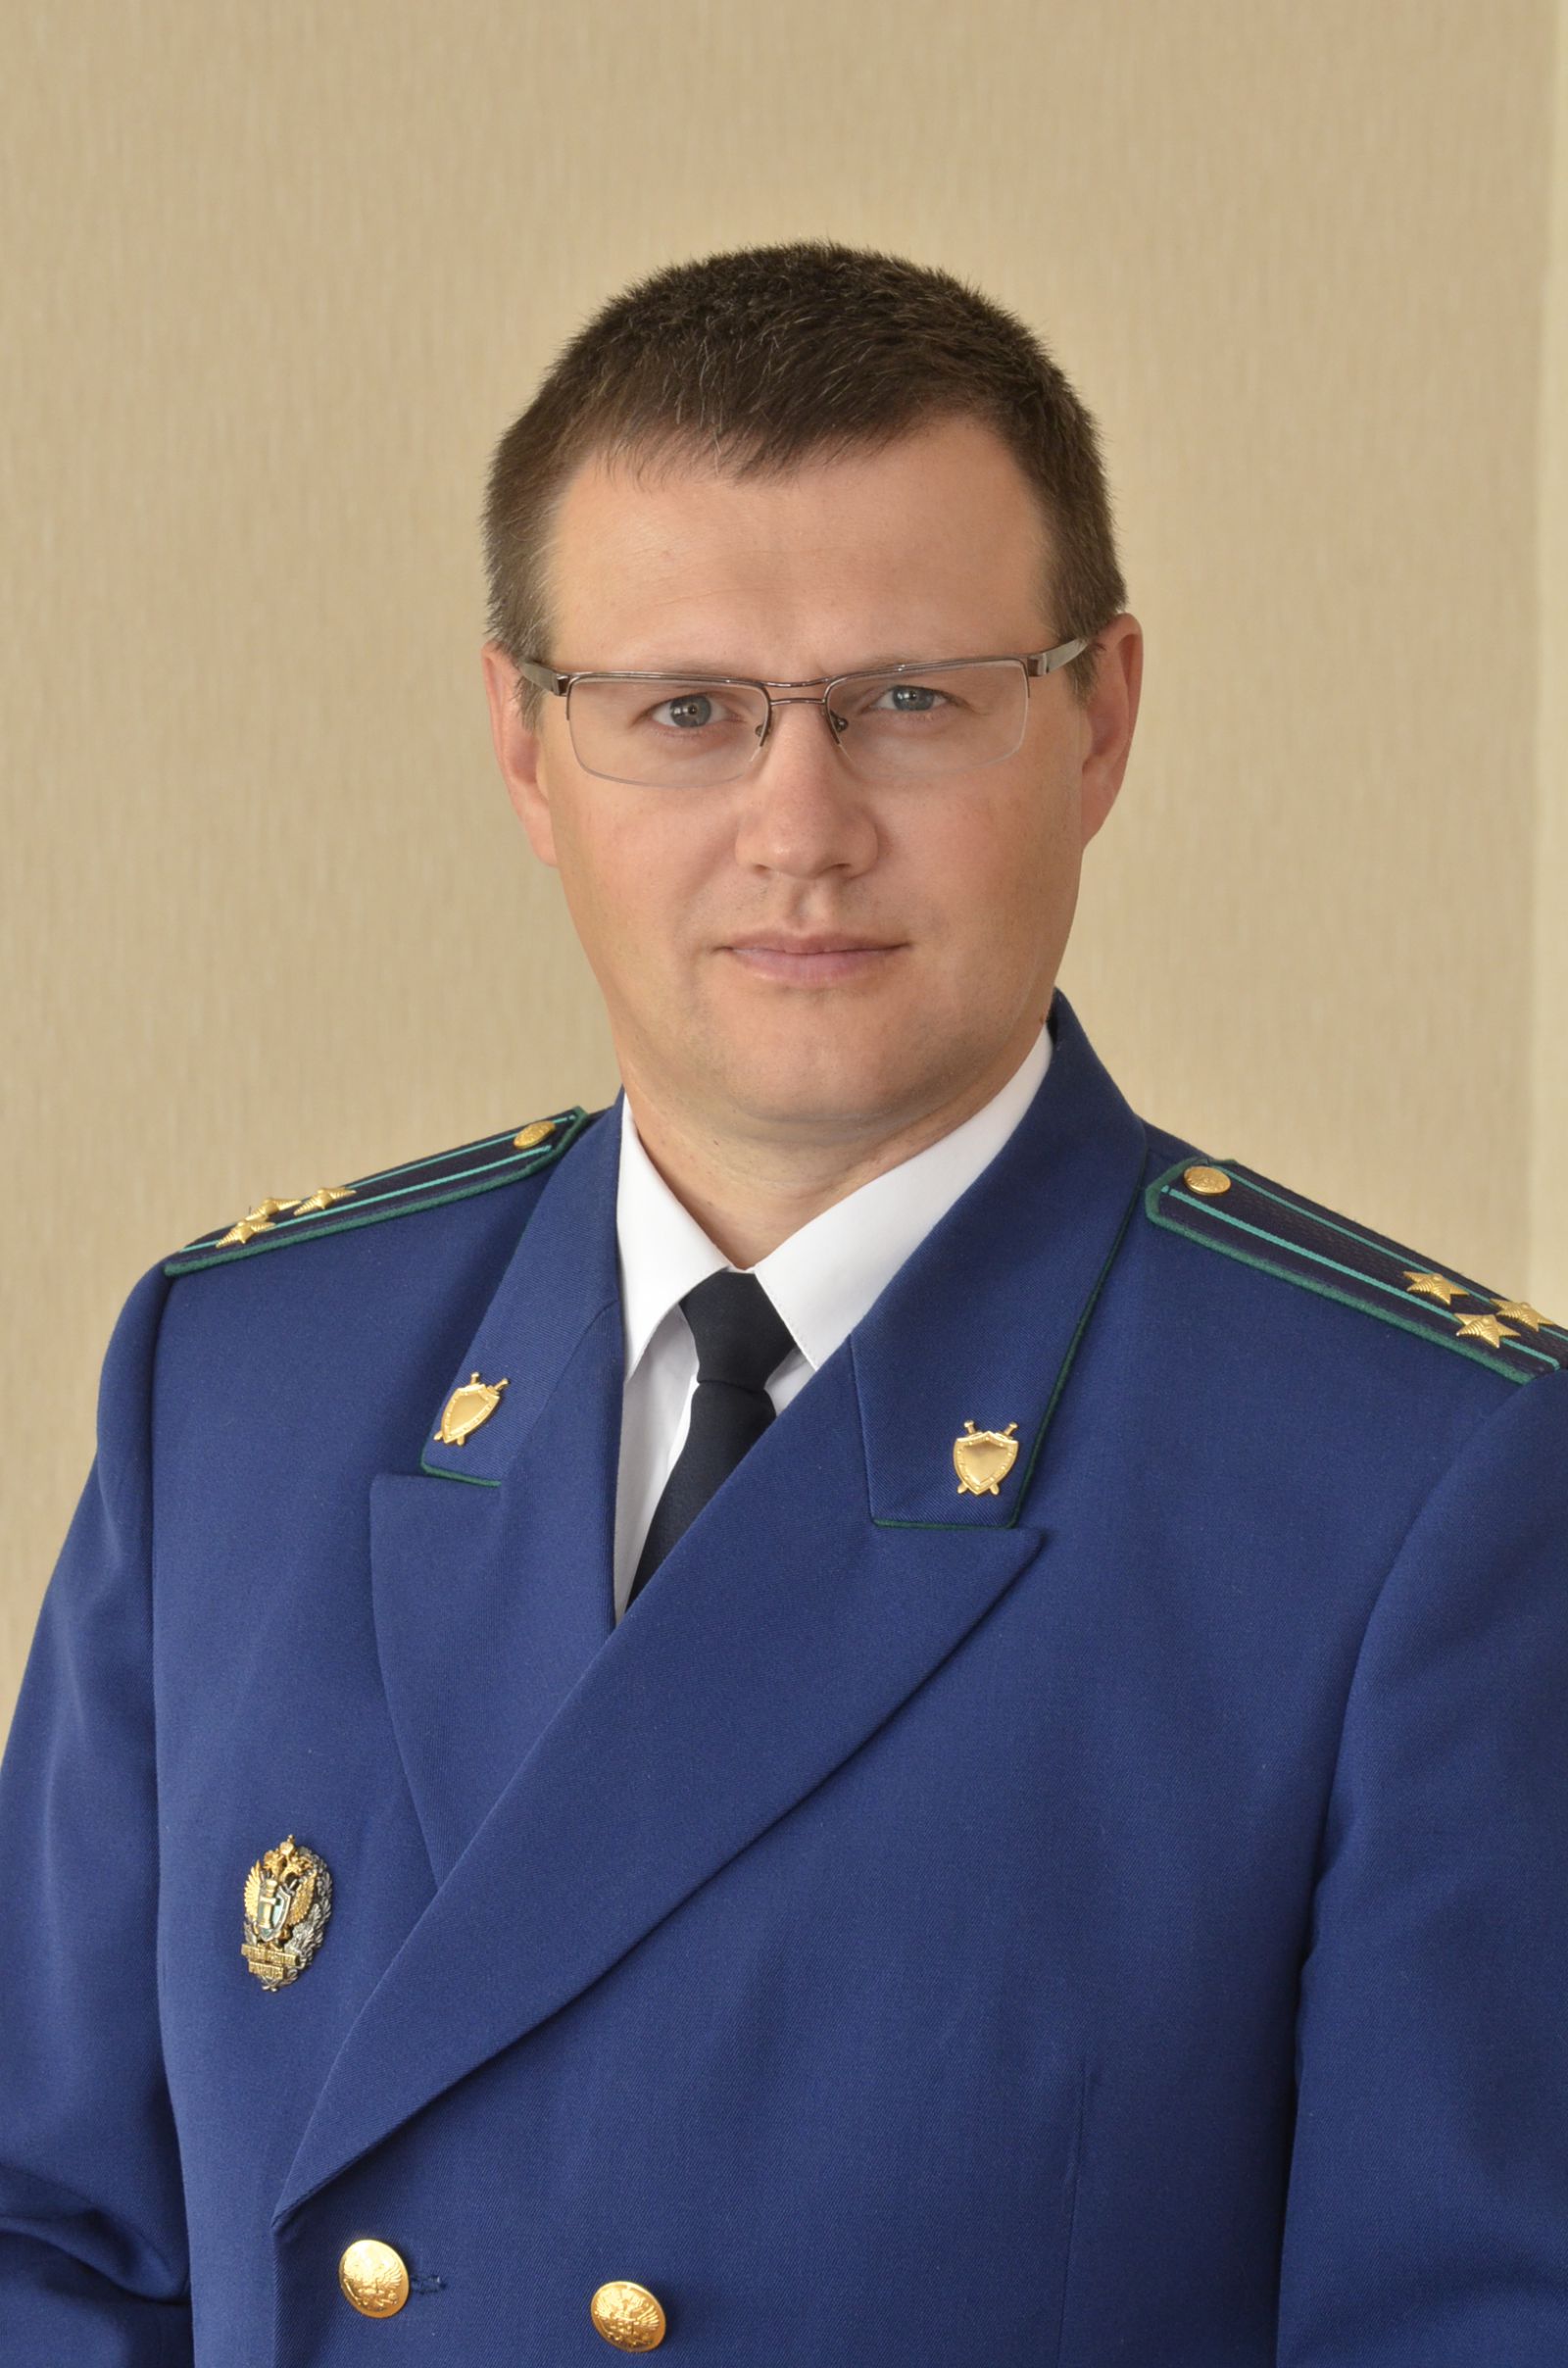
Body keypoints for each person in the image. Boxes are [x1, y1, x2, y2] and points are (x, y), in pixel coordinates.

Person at [2, 239, 1565, 2368]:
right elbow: (52, 2236)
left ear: (1097, 720)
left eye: (909, 700)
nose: (799, 830)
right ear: (525, 743)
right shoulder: (243, 1378)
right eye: (685, 712)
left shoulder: (1422, 1483)